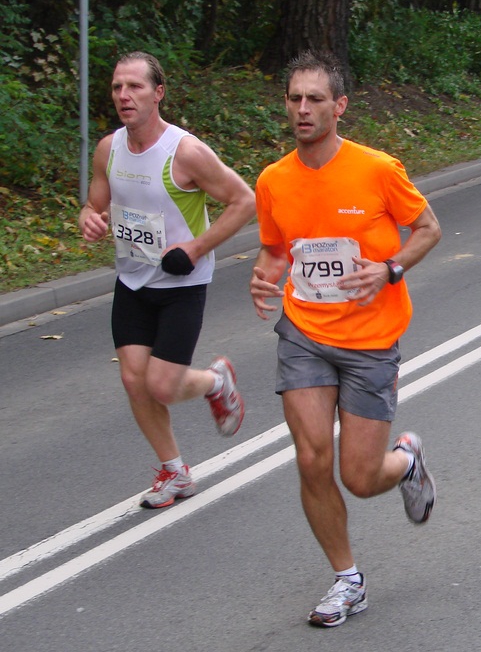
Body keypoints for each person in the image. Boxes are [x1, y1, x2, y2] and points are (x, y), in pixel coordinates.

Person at [249, 50, 441, 628]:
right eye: (294, 98)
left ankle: (404, 462)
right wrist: (264, 276)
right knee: (311, 458)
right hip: (304, 332)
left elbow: (428, 228)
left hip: (371, 341)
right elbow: (278, 246)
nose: (302, 109)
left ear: (340, 106)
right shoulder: (273, 180)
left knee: (359, 478)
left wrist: (390, 269)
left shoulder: (378, 169)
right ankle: (347, 579)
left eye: (314, 99)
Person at [78, 51, 254, 508]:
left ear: (158, 93)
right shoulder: (108, 148)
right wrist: (89, 220)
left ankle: (216, 382)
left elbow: (243, 201)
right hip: (133, 279)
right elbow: (94, 204)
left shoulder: (186, 152)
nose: (124, 95)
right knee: (135, 382)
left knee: (161, 385)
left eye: (135, 86)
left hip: (182, 285)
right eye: (118, 87)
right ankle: (175, 472)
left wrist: (194, 249)